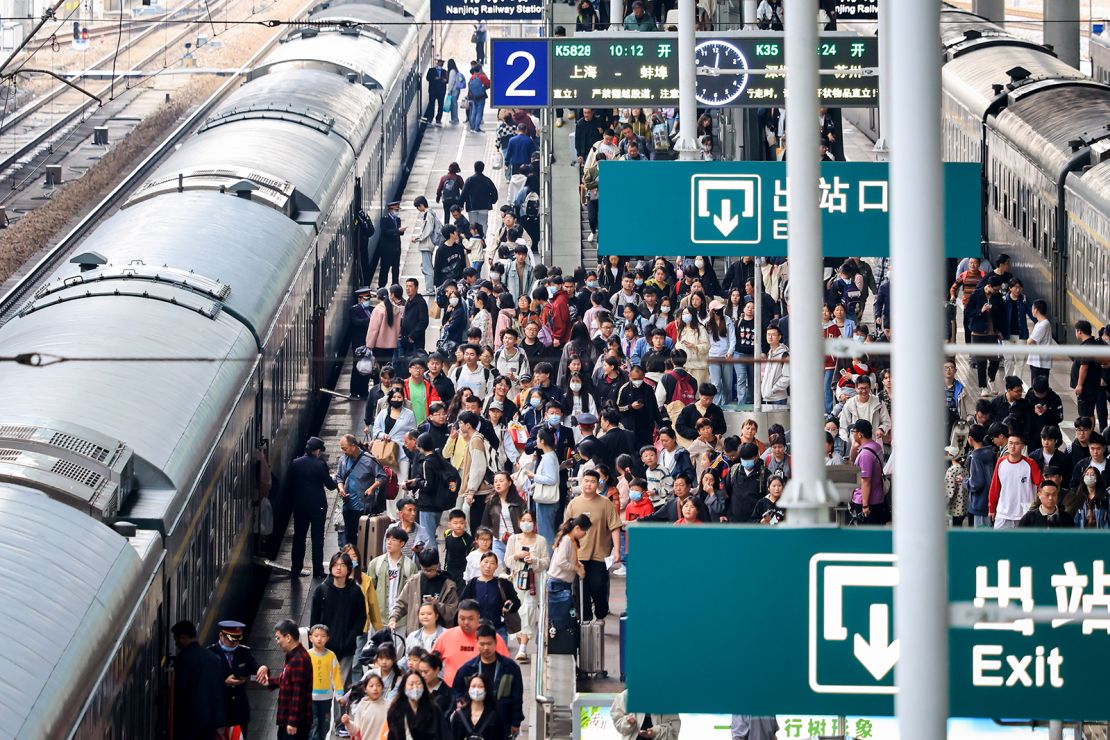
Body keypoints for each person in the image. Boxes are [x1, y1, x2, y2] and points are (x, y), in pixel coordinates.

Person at [564, 469, 622, 620]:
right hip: (578, 555)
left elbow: (614, 526)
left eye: (593, 481)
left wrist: (616, 549)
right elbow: (566, 530)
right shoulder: (573, 504)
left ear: (598, 484)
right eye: (586, 481)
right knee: (580, 590)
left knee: (598, 586)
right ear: (581, 482)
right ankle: (585, 622)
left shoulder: (605, 503)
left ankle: (601, 612)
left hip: (599, 554)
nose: (589, 484)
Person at [451, 623, 525, 736]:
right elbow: (457, 692)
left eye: (489, 644)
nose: (486, 648)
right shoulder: (467, 669)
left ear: (496, 643)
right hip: (474, 724)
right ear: (476, 643)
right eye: (482, 644)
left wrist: (516, 722)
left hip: (502, 721)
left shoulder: (510, 668)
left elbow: (517, 697)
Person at [286, 436, 338, 579]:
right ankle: (318, 571)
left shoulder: (295, 463)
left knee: (299, 538)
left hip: (300, 506)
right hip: (318, 506)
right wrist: (334, 478)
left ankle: (295, 569)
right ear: (316, 451)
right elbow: (331, 486)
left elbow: (291, 485)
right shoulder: (320, 464)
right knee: (317, 539)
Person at [310, 552, 368, 674]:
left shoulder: (355, 591)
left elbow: (361, 617)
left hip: (347, 648)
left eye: (342, 565)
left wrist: (351, 637)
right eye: (335, 564)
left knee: (341, 688)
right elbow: (314, 621)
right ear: (330, 567)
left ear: (349, 569)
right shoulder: (321, 591)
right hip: (324, 647)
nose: (338, 568)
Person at [208, 620, 267, 737]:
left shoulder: (244, 652)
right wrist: (224, 683)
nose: (234, 643)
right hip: (219, 711)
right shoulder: (210, 654)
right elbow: (205, 683)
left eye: (237, 639)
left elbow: (256, 668)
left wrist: (264, 668)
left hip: (239, 711)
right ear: (221, 635)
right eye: (231, 640)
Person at [432, 599, 510, 687]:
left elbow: (507, 668)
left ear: (478, 617)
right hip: (452, 694)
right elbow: (431, 664)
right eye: (462, 618)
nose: (466, 622)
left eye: (470, 618)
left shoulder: (492, 638)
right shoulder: (446, 636)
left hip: (484, 692)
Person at [503, 509, 548, 662]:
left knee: (528, 609)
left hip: (532, 582)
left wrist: (534, 560)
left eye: (529, 521)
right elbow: (507, 561)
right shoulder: (513, 540)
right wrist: (516, 556)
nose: (526, 523)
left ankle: (522, 648)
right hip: (516, 581)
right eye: (524, 520)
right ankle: (521, 644)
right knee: (517, 612)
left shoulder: (541, 540)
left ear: (534, 523)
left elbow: (545, 562)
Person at [172, 620, 227, 740]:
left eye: (177, 640)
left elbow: (181, 689)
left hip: (190, 721)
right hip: (211, 720)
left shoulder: (184, 659)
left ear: (183, 638)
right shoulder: (213, 658)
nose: (177, 644)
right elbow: (220, 690)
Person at [388, 547, 460, 633]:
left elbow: (452, 612)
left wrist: (437, 604)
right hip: (415, 632)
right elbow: (401, 603)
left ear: (438, 565)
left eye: (431, 570)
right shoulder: (413, 582)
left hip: (440, 633)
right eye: (424, 570)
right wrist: (393, 618)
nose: (428, 573)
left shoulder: (448, 585)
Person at [266, 619, 314, 740]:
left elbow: (298, 693)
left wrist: (292, 721)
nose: (277, 642)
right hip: (289, 720)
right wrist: (270, 682)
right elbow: (287, 681)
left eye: (278, 638)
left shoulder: (298, 660)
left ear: (288, 637)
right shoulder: (293, 656)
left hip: (294, 723)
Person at [460, 550, 520, 644]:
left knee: (500, 657)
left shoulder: (503, 584)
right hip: (477, 630)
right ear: (480, 563)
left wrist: (510, 604)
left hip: (499, 629)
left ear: (496, 566)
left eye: (492, 563)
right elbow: (462, 604)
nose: (488, 566)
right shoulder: (472, 584)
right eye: (486, 562)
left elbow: (516, 601)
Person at [336, 434, 386, 545]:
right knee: (349, 536)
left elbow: (382, 476)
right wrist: (340, 488)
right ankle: (353, 560)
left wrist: (372, 488)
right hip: (347, 504)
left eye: (345, 448)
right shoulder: (343, 459)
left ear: (353, 446)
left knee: (364, 537)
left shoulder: (369, 460)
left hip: (364, 506)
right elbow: (339, 477)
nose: (343, 451)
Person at [988, 433, 1043, 529]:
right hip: (1003, 514)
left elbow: (1041, 486)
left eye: (1016, 443)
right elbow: (995, 487)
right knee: (1000, 543)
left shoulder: (1030, 463)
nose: (1013, 446)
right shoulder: (1001, 462)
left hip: (1024, 514)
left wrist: (1038, 506)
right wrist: (991, 507)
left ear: (1022, 446)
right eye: (1010, 443)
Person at [368, 527, 420, 624]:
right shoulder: (376, 563)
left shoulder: (410, 566)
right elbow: (369, 591)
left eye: (394, 539)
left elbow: (414, 594)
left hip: (401, 620)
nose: (389, 542)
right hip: (378, 618)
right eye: (387, 539)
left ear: (402, 543)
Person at [385, 672, 450, 740]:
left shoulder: (433, 708)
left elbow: (443, 733)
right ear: (404, 687)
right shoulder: (395, 710)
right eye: (411, 684)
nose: (415, 687)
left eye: (419, 684)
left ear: (424, 686)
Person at [306, 624, 344, 740]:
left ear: (327, 638)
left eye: (323, 636)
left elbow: (336, 676)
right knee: (314, 723)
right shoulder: (306, 655)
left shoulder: (331, 656)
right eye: (316, 636)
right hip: (310, 697)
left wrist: (339, 695)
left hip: (326, 698)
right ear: (310, 638)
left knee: (325, 724)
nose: (319, 639)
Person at [848, 420, 888, 525]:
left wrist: (865, 506)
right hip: (878, 498)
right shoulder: (876, 447)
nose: (853, 434)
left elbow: (866, 481)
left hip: (866, 502)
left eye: (854, 432)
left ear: (860, 434)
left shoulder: (865, 454)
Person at [450, 673, 506, 740]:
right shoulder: (459, 715)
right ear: (468, 690)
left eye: (480, 686)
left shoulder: (494, 716)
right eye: (473, 686)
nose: (476, 690)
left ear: (486, 690)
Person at [610, 689, 681, 740]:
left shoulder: (667, 699)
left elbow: (674, 729)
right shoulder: (626, 696)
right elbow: (617, 719)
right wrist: (628, 722)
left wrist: (655, 732)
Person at [341, 673, 388, 740]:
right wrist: (348, 723)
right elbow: (356, 731)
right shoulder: (362, 706)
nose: (375, 688)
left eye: (378, 685)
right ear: (365, 689)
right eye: (371, 686)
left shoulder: (389, 706)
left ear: (382, 688)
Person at [365, 286, 404, 365]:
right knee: (388, 367)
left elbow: (373, 329)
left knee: (379, 368)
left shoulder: (378, 309)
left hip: (379, 346)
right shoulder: (396, 309)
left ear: (378, 297)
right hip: (392, 345)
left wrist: (369, 345)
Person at [1072, 320, 1103, 418]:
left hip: (1086, 387)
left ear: (1079, 331)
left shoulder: (1087, 347)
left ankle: (1088, 433)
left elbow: (1084, 366)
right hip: (1091, 386)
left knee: (1085, 414)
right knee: (1089, 413)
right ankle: (1089, 432)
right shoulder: (1094, 344)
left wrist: (1079, 385)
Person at [348, 286, 375, 399]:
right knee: (357, 367)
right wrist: (371, 320)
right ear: (360, 299)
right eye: (365, 298)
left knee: (367, 367)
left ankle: (364, 392)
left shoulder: (372, 310)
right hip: (359, 345)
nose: (367, 300)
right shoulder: (354, 310)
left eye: (368, 297)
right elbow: (357, 323)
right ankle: (354, 392)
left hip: (369, 343)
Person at [460, 160, 499, 237]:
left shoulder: (469, 180)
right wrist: (492, 201)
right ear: (483, 169)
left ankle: (474, 238)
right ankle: (482, 238)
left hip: (472, 206)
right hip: (484, 206)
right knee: (483, 223)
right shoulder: (487, 180)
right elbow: (494, 192)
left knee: (473, 223)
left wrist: (460, 204)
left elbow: (463, 193)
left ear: (474, 168)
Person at [372, 202, 405, 292]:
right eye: (396, 210)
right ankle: (381, 286)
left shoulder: (398, 220)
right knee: (384, 269)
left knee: (396, 269)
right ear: (390, 210)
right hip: (386, 250)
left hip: (396, 249)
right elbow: (385, 232)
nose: (397, 212)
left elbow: (398, 233)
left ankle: (395, 286)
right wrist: (397, 230)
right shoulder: (384, 220)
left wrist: (401, 231)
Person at [400, 278, 429, 358]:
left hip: (415, 341)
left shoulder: (420, 303)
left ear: (416, 288)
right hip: (405, 339)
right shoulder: (408, 302)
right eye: (406, 286)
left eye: (410, 286)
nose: (408, 289)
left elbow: (423, 322)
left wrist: (412, 336)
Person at [466, 64, 491, 134]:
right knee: (479, 112)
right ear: (480, 69)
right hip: (481, 97)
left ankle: (472, 127)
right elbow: (489, 83)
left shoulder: (472, 77)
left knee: (473, 112)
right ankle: (477, 128)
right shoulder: (482, 77)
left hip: (473, 97)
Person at [422, 58, 448, 125]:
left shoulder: (444, 71)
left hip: (441, 91)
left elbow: (447, 80)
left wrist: (445, 80)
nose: (441, 64)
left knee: (440, 105)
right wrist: (434, 78)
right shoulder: (431, 70)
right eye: (440, 63)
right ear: (437, 63)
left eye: (442, 63)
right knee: (431, 104)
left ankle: (438, 119)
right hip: (433, 90)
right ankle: (430, 118)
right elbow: (428, 78)